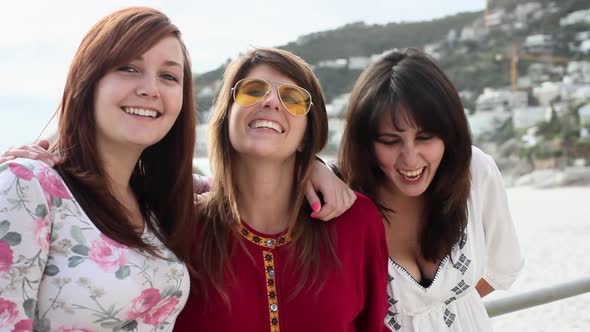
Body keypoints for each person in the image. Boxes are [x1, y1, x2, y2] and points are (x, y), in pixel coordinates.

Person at [0, 7, 196, 331]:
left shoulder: (157, 199)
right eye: (129, 68)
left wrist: (309, 167)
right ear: (88, 79)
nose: (150, 88)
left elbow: (238, 187)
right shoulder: (28, 186)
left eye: (169, 76)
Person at [173, 48, 389, 331]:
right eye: (252, 91)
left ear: (306, 136)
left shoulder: (356, 221)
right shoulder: (181, 229)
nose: (272, 101)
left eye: (292, 98)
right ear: (226, 118)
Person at [338, 48, 524, 331]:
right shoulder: (339, 198)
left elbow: (503, 268)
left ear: (450, 132)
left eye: (425, 137)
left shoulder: (475, 171)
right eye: (390, 141)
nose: (410, 158)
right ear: (365, 142)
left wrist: (444, 309)